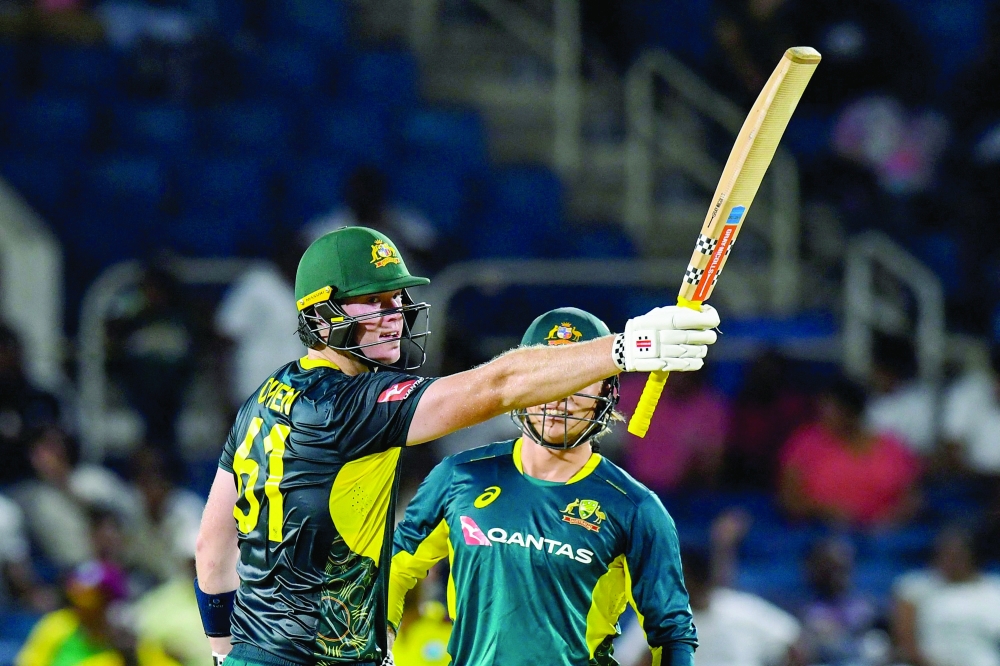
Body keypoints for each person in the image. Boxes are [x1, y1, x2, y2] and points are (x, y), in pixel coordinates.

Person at [194, 228, 720, 666]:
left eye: (396, 299)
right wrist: (631, 347)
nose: (393, 314)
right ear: (321, 314)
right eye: (372, 302)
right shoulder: (352, 405)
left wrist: (223, 653)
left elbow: (212, 550)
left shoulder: (260, 400)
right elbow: (495, 387)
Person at [388, 307, 700, 666]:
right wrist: (381, 650)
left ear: (608, 391)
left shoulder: (635, 508)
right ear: (523, 383)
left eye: (576, 379)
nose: (558, 397)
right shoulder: (459, 477)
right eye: (547, 377)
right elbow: (392, 571)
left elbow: (671, 633)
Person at [779, 375, 921, 527]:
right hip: (819, 530)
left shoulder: (892, 447)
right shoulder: (804, 444)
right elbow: (789, 501)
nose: (822, 417)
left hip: (885, 535)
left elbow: (912, 498)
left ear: (851, 413)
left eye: (830, 412)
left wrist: (891, 519)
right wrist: (823, 510)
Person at [892, 527, 1000, 666]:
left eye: (956, 556)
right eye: (943, 554)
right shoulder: (915, 587)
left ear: (972, 556)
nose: (948, 561)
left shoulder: (994, 588)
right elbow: (906, 642)